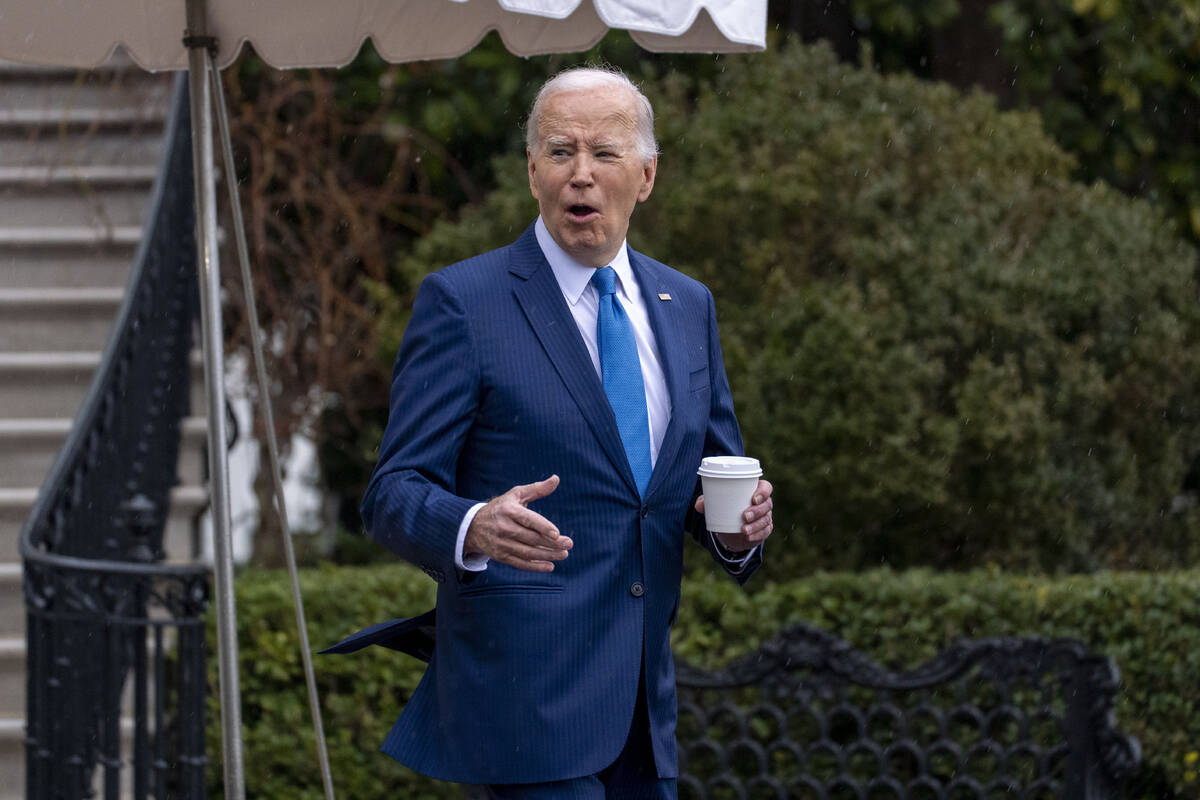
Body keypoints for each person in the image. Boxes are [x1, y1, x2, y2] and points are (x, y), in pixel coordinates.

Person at [342, 66, 774, 798]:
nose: (581, 175)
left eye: (604, 154)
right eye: (559, 152)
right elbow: (392, 493)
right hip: (524, 709)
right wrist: (473, 525)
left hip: (645, 711)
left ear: (645, 176)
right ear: (532, 173)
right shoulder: (465, 303)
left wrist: (738, 534)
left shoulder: (687, 305)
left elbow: (709, 481)